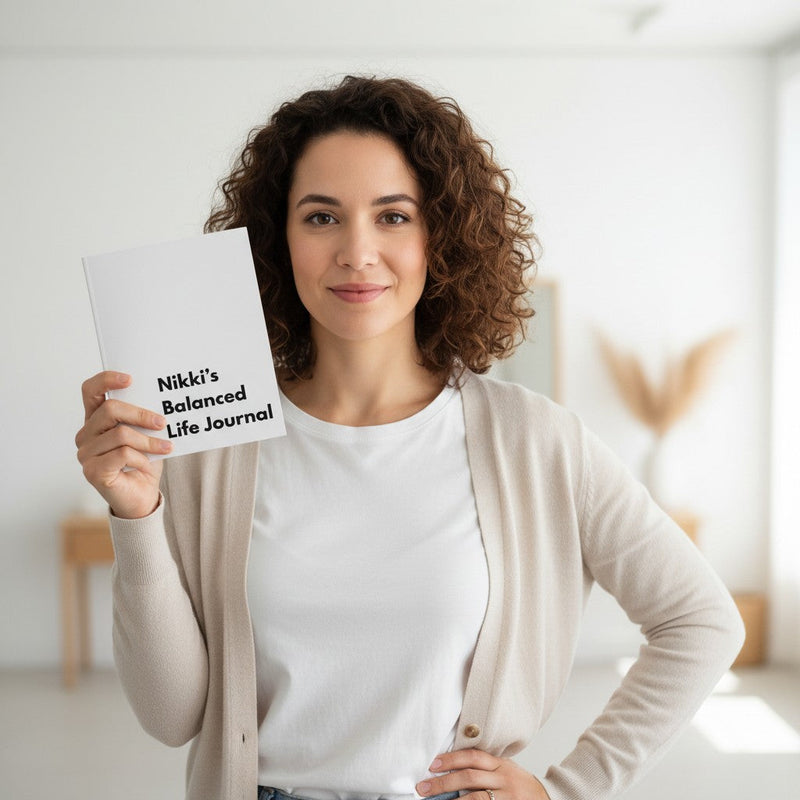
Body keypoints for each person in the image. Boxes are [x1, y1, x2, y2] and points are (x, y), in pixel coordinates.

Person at [75, 76, 744, 800]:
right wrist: (136, 516)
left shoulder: (536, 441)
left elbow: (701, 621)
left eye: (393, 216)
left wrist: (567, 789)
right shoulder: (212, 448)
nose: (357, 252)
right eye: (321, 217)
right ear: (276, 239)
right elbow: (171, 716)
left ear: (441, 236)